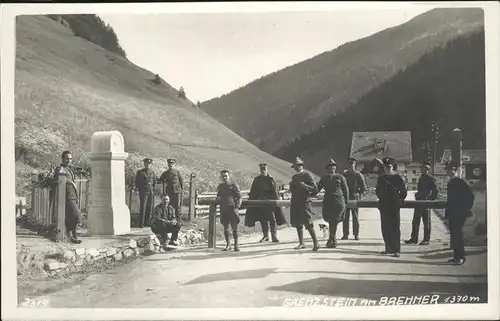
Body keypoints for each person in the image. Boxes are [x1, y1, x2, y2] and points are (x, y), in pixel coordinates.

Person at [246, 163, 287, 243]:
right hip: (260, 203)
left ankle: (274, 236)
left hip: (270, 203)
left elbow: (275, 192)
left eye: (264, 170)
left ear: (267, 170)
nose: (263, 171)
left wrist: (275, 202)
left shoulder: (270, 179)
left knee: (272, 219)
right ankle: (266, 236)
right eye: (261, 170)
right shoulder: (257, 179)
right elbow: (253, 191)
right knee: (262, 219)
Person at [375, 157, 407, 257]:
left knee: (395, 227)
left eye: (389, 166)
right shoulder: (381, 178)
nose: (387, 168)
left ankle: (396, 249)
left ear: (393, 167)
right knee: (385, 227)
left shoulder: (397, 178)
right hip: (384, 206)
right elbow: (378, 191)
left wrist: (398, 200)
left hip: (394, 206)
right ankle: (388, 248)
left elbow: (403, 192)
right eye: (385, 166)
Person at [444, 161, 474, 265]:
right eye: (447, 170)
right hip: (453, 212)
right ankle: (456, 256)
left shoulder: (460, 182)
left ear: (455, 170)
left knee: (458, 234)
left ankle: (461, 256)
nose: (448, 172)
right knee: (454, 234)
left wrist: (464, 209)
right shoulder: (451, 182)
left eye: (450, 170)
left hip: (459, 213)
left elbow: (470, 197)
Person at [289, 157, 320, 251]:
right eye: (295, 166)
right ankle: (301, 243)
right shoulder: (294, 177)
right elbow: (292, 189)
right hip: (295, 202)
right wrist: (291, 187)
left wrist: (305, 186)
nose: (296, 168)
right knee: (298, 223)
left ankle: (316, 243)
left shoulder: (307, 175)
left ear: (302, 165)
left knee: (308, 222)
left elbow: (315, 189)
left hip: (305, 202)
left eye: (298, 166)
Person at [405, 161, 438, 245]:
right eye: (421, 168)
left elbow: (435, 191)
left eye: (423, 168)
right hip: (419, 201)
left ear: (427, 169)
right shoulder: (421, 177)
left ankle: (426, 240)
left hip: (426, 202)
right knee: (415, 221)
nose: (422, 170)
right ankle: (414, 238)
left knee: (426, 222)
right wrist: (417, 194)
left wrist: (430, 199)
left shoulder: (430, 179)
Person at [317, 159, 349, 248]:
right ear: (327, 168)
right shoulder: (324, 178)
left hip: (339, 201)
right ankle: (332, 240)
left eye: (333, 166)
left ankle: (332, 240)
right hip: (328, 202)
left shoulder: (341, 177)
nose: (332, 168)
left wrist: (346, 202)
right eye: (330, 166)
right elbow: (317, 189)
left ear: (335, 167)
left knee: (334, 221)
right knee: (330, 220)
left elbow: (346, 190)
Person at [52, 150, 82, 244]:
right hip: (66, 196)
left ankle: (72, 236)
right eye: (67, 158)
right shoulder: (60, 168)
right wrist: (70, 182)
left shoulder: (69, 169)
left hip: (73, 196)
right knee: (77, 216)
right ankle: (70, 236)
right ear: (63, 159)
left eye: (70, 159)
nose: (69, 160)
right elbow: (58, 179)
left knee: (72, 217)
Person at [217, 170, 242, 252]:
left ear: (229, 176)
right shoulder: (220, 186)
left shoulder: (233, 185)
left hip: (232, 208)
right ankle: (228, 245)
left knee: (234, 227)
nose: (224, 177)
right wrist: (217, 199)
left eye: (226, 176)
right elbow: (218, 196)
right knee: (225, 228)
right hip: (224, 209)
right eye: (223, 176)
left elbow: (239, 196)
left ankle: (236, 245)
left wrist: (237, 206)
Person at [342, 157, 367, 240]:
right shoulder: (344, 175)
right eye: (349, 164)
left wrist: (359, 194)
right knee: (345, 216)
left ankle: (356, 234)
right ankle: (345, 234)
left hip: (354, 196)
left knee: (355, 216)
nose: (350, 166)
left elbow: (363, 187)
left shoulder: (358, 174)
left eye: (352, 164)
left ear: (354, 165)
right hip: (346, 197)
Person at [135, 158, 157, 228]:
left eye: (149, 164)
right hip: (143, 191)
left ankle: (147, 222)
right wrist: (141, 190)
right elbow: (137, 182)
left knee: (150, 207)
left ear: (151, 165)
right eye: (146, 163)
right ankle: (141, 223)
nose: (148, 165)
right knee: (143, 207)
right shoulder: (140, 172)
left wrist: (153, 189)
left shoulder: (152, 172)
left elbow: (155, 181)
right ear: (144, 164)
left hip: (150, 191)